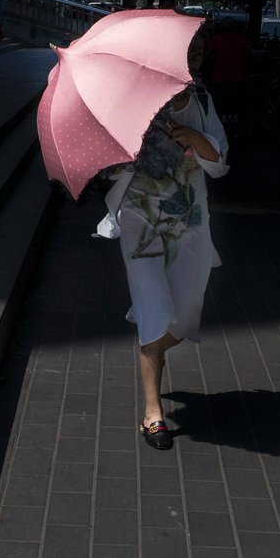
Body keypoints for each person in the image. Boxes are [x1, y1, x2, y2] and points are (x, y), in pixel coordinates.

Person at [94, 28, 230, 450]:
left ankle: (154, 346)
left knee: (184, 317)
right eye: (188, 49)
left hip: (189, 219)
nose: (194, 56)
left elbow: (220, 161)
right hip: (140, 217)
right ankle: (153, 414)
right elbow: (109, 163)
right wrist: (122, 156)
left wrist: (195, 139)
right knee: (153, 308)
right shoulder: (132, 93)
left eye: (200, 50)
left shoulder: (201, 99)